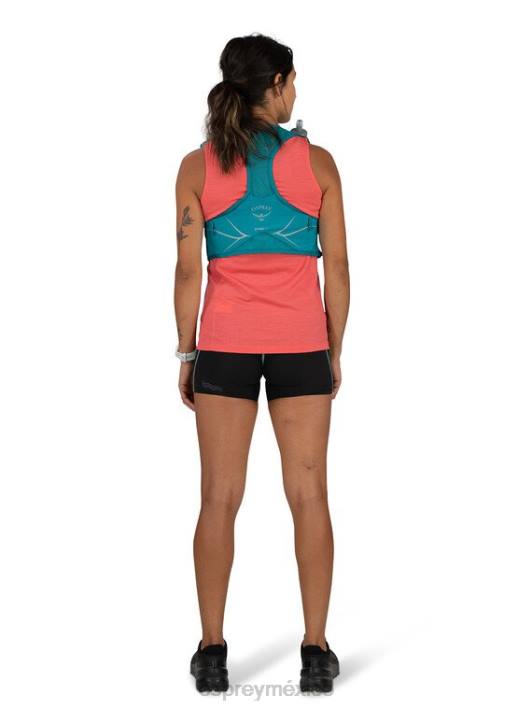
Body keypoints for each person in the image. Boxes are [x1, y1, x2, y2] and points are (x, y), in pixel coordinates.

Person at [173, 33, 349, 694]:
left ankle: (212, 651)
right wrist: (334, 349)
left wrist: (187, 353)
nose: (295, 92)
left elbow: (187, 272)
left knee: (218, 498)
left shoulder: (197, 167)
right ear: (275, 83)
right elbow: (340, 269)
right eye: (292, 81)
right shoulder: (319, 164)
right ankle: (315, 651)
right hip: (302, 344)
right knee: (310, 494)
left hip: (225, 345)